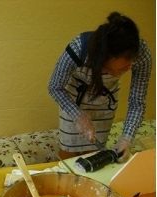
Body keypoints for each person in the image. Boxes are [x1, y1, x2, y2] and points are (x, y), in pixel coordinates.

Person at [48, 12, 151, 162]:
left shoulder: (142, 54)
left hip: (105, 99)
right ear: (104, 57)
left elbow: (137, 102)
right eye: (122, 69)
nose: (128, 68)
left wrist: (126, 139)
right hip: (72, 100)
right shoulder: (79, 47)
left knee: (94, 152)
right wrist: (78, 116)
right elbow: (54, 87)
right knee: (69, 151)